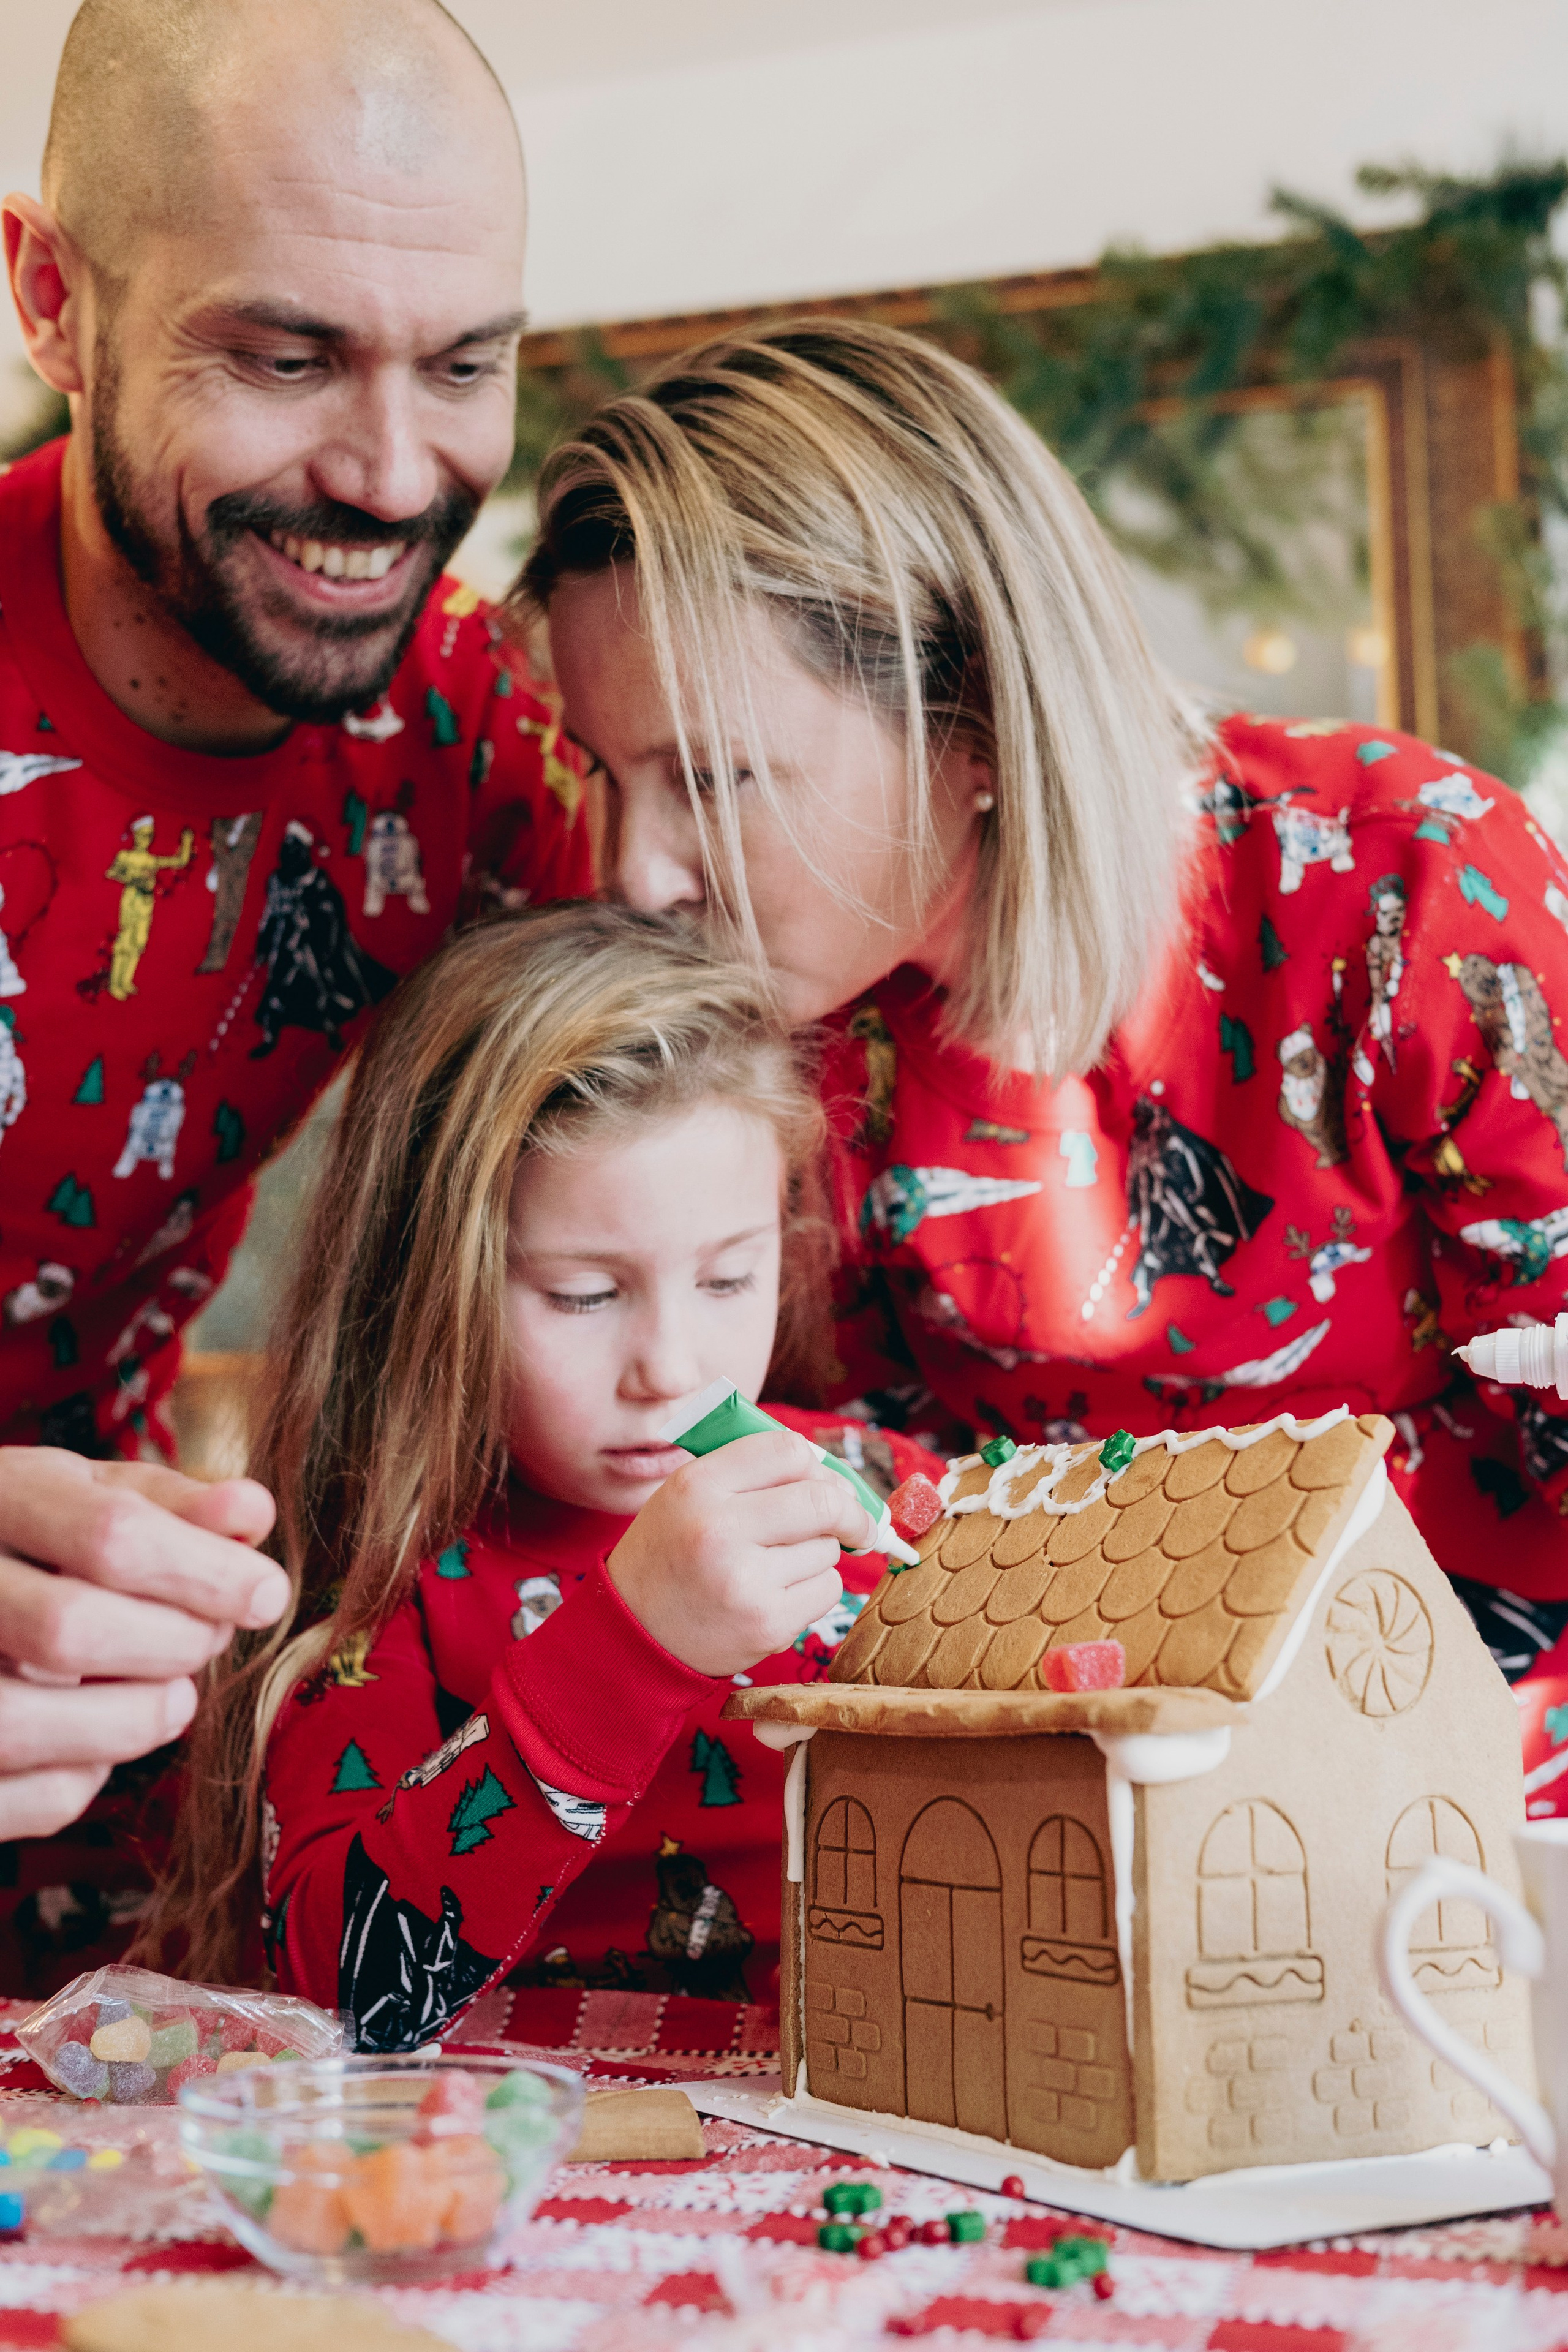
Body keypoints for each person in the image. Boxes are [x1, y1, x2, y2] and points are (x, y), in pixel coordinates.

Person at [518, 318, 1568, 1699]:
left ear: (977, 727)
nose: (630, 871)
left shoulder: (1409, 887)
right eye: (608, 774)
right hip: (1000, 1749)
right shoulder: (751, 1004)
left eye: (708, 780)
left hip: (1465, 1761)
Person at [0, 0, 587, 1971]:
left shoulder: (488, 729)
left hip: (124, 1718)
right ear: (53, 301)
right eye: (284, 356)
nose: (396, 474)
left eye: (467, 365)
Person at [152, 903, 937, 2038]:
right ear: (428, 1287)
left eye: (727, 1280)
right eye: (584, 1294)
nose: (670, 1368)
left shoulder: (882, 1504)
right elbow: (345, 1994)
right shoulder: (378, 1576)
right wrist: (636, 1641)